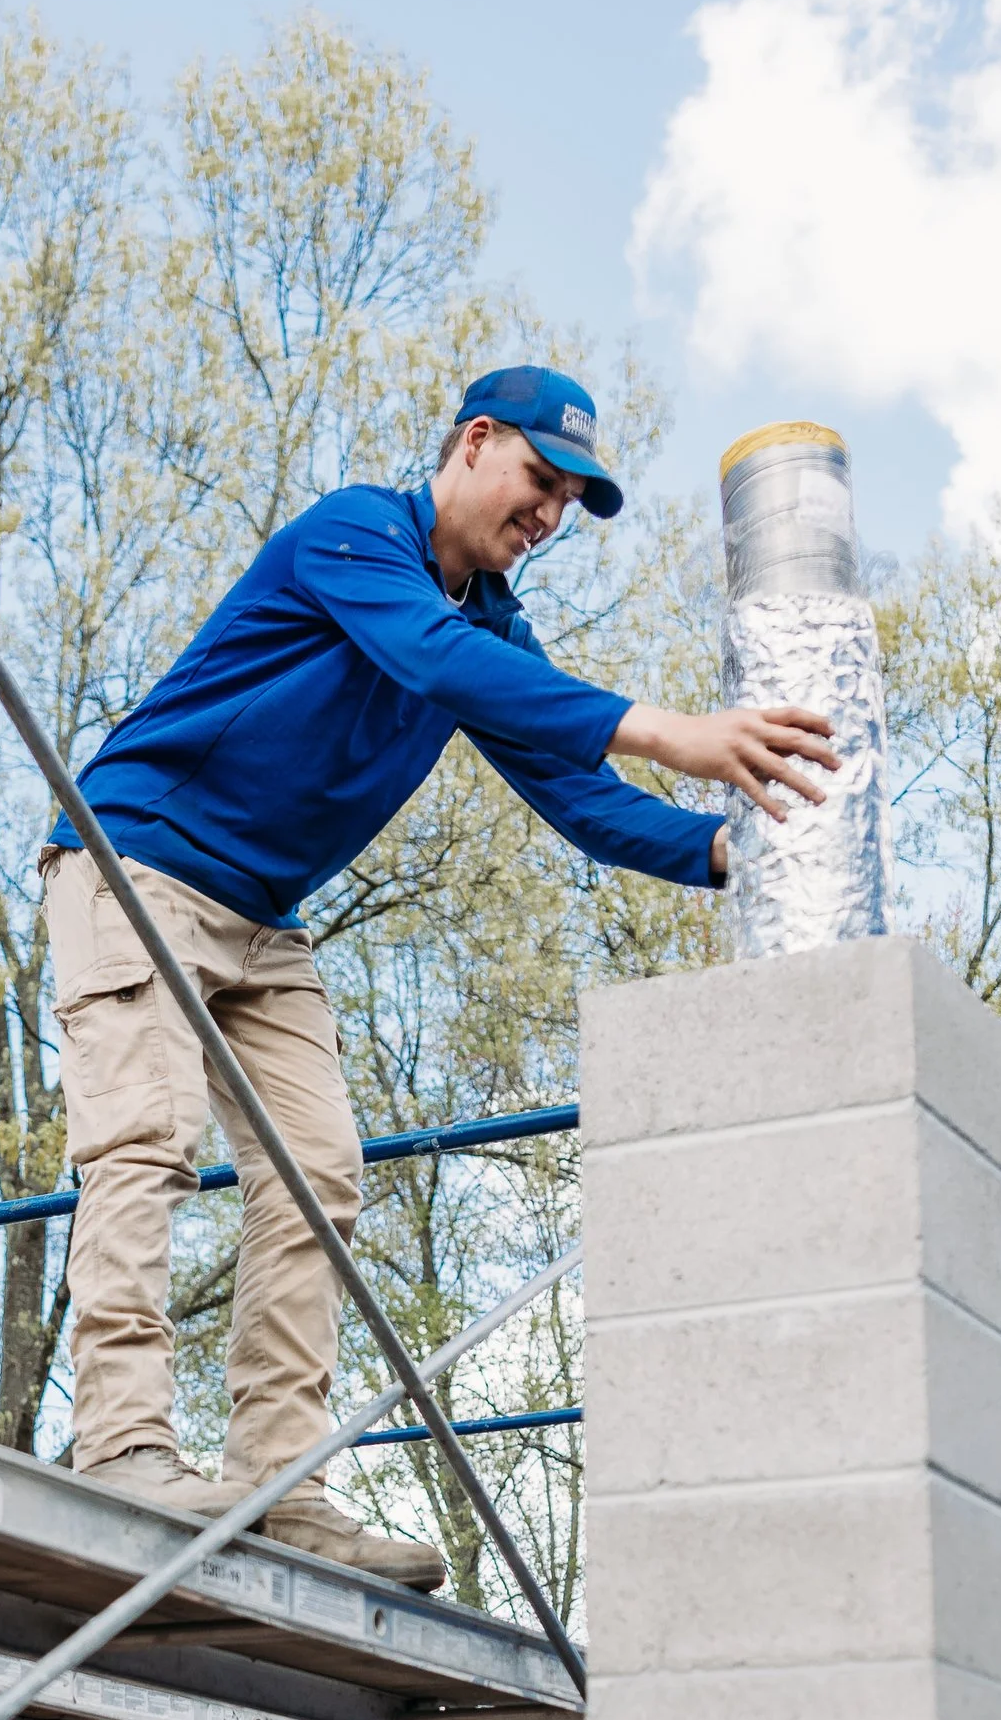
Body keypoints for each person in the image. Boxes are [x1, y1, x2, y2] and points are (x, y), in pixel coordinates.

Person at [43, 364, 836, 1587]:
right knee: (143, 1138)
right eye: (537, 481)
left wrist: (737, 854)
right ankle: (123, 1447)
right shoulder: (356, 535)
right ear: (472, 444)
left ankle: (277, 1483)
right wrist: (675, 731)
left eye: (569, 500)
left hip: (261, 915)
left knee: (318, 1176)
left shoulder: (496, 626)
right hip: (132, 861)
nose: (548, 516)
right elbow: (433, 663)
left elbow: (576, 796)